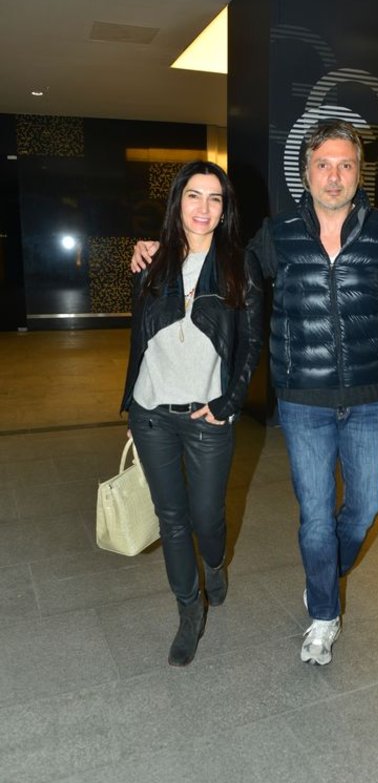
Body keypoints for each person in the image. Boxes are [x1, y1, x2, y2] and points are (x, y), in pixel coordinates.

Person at [131, 120, 378, 667]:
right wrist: (159, 247)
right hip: (302, 398)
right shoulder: (277, 233)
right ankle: (323, 616)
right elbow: (218, 262)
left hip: (366, 397)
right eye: (323, 164)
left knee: (364, 508)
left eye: (345, 165)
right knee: (316, 517)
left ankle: (322, 573)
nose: (333, 176)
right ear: (306, 173)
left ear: (359, 173)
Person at [122, 160, 262, 668]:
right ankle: (188, 611)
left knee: (207, 516)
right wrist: (132, 404)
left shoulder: (239, 265)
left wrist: (228, 404)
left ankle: (216, 563)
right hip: (152, 412)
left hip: (208, 415)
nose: (204, 208)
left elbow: (251, 344)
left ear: (225, 209)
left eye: (215, 198)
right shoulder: (152, 260)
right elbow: (140, 336)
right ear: (177, 202)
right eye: (194, 196)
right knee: (173, 519)